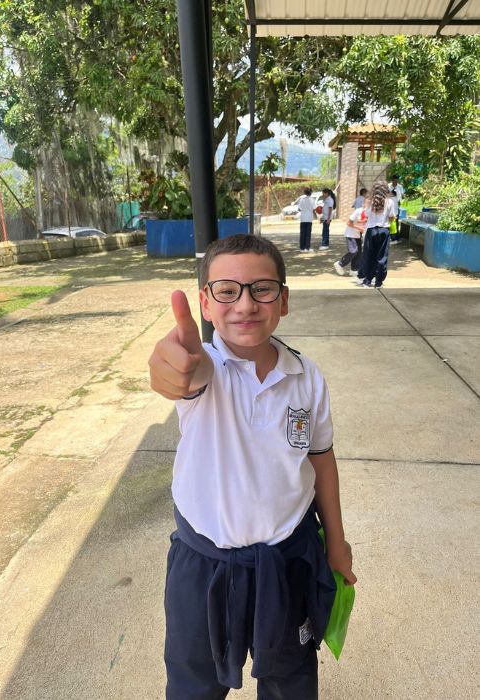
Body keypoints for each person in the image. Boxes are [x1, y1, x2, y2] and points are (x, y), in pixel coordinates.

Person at [148, 234, 356, 699]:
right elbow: (184, 374)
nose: (245, 304)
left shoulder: (307, 376)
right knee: (192, 683)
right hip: (204, 564)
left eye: (261, 289)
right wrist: (173, 367)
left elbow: (320, 459)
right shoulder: (207, 369)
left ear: (283, 300)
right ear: (205, 302)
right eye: (227, 290)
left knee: (291, 681)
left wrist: (337, 543)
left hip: (287, 559)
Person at [356, 182, 395, 289]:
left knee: (369, 256)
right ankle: (378, 282)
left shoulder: (369, 201)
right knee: (382, 257)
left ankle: (367, 281)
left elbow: (367, 215)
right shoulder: (390, 202)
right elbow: (392, 217)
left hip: (371, 230)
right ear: (385, 190)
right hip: (384, 230)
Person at [334, 198, 369, 277]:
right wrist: (359, 228)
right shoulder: (358, 211)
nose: (369, 205)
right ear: (363, 203)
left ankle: (354, 270)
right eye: (367, 203)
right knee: (353, 251)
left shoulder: (370, 213)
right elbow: (349, 223)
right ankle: (340, 264)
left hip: (358, 235)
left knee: (359, 253)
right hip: (350, 234)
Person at [295, 187, 315, 252]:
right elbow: (314, 208)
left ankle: (302, 248)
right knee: (308, 234)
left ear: (304, 192)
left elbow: (299, 209)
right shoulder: (312, 200)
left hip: (303, 218)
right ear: (311, 193)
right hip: (309, 218)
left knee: (302, 233)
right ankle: (307, 247)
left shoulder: (301, 200)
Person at [387, 175, 404, 243]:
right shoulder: (388, 186)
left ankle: (396, 237)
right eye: (394, 180)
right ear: (392, 180)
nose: (395, 182)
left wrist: (401, 201)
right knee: (389, 222)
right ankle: (389, 237)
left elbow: (402, 195)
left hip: (396, 206)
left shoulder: (400, 187)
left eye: (396, 181)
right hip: (389, 207)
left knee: (396, 222)